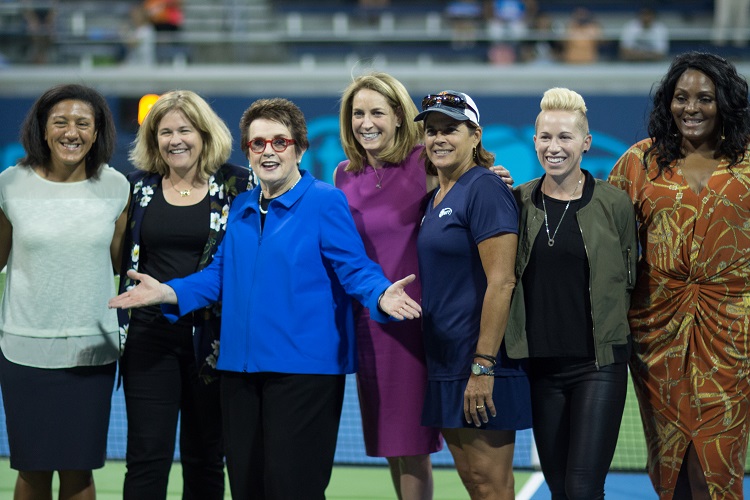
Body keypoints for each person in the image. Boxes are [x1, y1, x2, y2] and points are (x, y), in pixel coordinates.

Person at [109, 97, 422, 500]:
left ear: (300, 148)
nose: (268, 151)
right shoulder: (241, 205)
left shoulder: (325, 201)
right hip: (238, 372)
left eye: (279, 141)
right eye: (258, 143)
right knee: (247, 488)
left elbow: (355, 268)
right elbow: (219, 275)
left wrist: (380, 294)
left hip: (303, 374)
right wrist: (169, 291)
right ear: (248, 151)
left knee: (292, 489)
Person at [608, 51, 750, 499]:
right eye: (681, 97)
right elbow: (600, 231)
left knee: (717, 462)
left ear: (724, 102)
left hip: (734, 335)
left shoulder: (748, 162)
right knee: (669, 466)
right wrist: (511, 189)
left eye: (705, 98)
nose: (691, 108)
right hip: (656, 334)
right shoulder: (639, 161)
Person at [118, 90, 253, 499]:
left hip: (214, 340)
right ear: (153, 139)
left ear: (205, 133)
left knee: (206, 458)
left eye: (185, 130)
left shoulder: (238, 184)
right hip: (148, 337)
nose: (175, 140)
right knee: (146, 458)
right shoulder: (136, 188)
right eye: (165, 132)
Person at [505, 87, 637, 499]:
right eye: (545, 137)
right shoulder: (516, 201)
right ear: (534, 141)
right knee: (560, 488)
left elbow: (630, 277)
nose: (554, 147)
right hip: (541, 368)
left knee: (582, 487)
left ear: (586, 142)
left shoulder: (615, 203)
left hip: (598, 365)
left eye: (565, 137)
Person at [0, 84, 129, 499]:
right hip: (23, 352)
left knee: (79, 471)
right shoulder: (10, 184)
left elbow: (121, 265)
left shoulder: (116, 186)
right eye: (60, 122)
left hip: (92, 354)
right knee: (31, 470)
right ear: (42, 129)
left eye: (82, 123)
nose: (71, 132)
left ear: (97, 132)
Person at [415, 91, 531, 499]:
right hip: (446, 361)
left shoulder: (484, 188)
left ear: (475, 135)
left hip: (481, 361)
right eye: (432, 131)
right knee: (474, 483)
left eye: (451, 129)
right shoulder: (435, 197)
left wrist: (483, 366)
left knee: (491, 485)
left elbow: (502, 282)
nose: (439, 138)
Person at [334, 72, 443, 500]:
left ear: (399, 116)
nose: (366, 122)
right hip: (368, 322)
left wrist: (496, 176)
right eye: (358, 113)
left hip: (413, 321)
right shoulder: (344, 174)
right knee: (392, 446)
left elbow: (473, 188)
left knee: (412, 446)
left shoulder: (426, 161)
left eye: (377, 112)